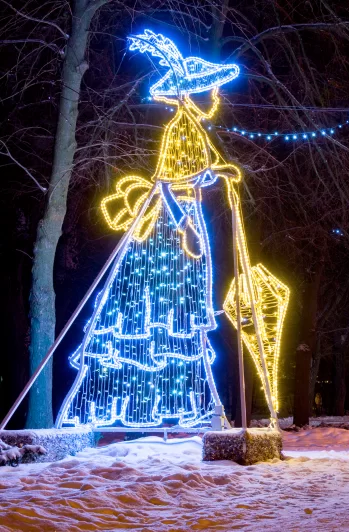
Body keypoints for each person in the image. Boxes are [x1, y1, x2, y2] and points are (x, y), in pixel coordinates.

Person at [57, 31, 245, 428]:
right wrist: (184, 226)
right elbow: (166, 182)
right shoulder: (182, 128)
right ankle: (153, 408)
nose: (216, 97)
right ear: (190, 94)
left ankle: (172, 406)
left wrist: (216, 173)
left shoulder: (190, 127)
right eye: (210, 90)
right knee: (166, 313)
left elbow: (189, 175)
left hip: (185, 216)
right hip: (173, 226)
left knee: (172, 314)